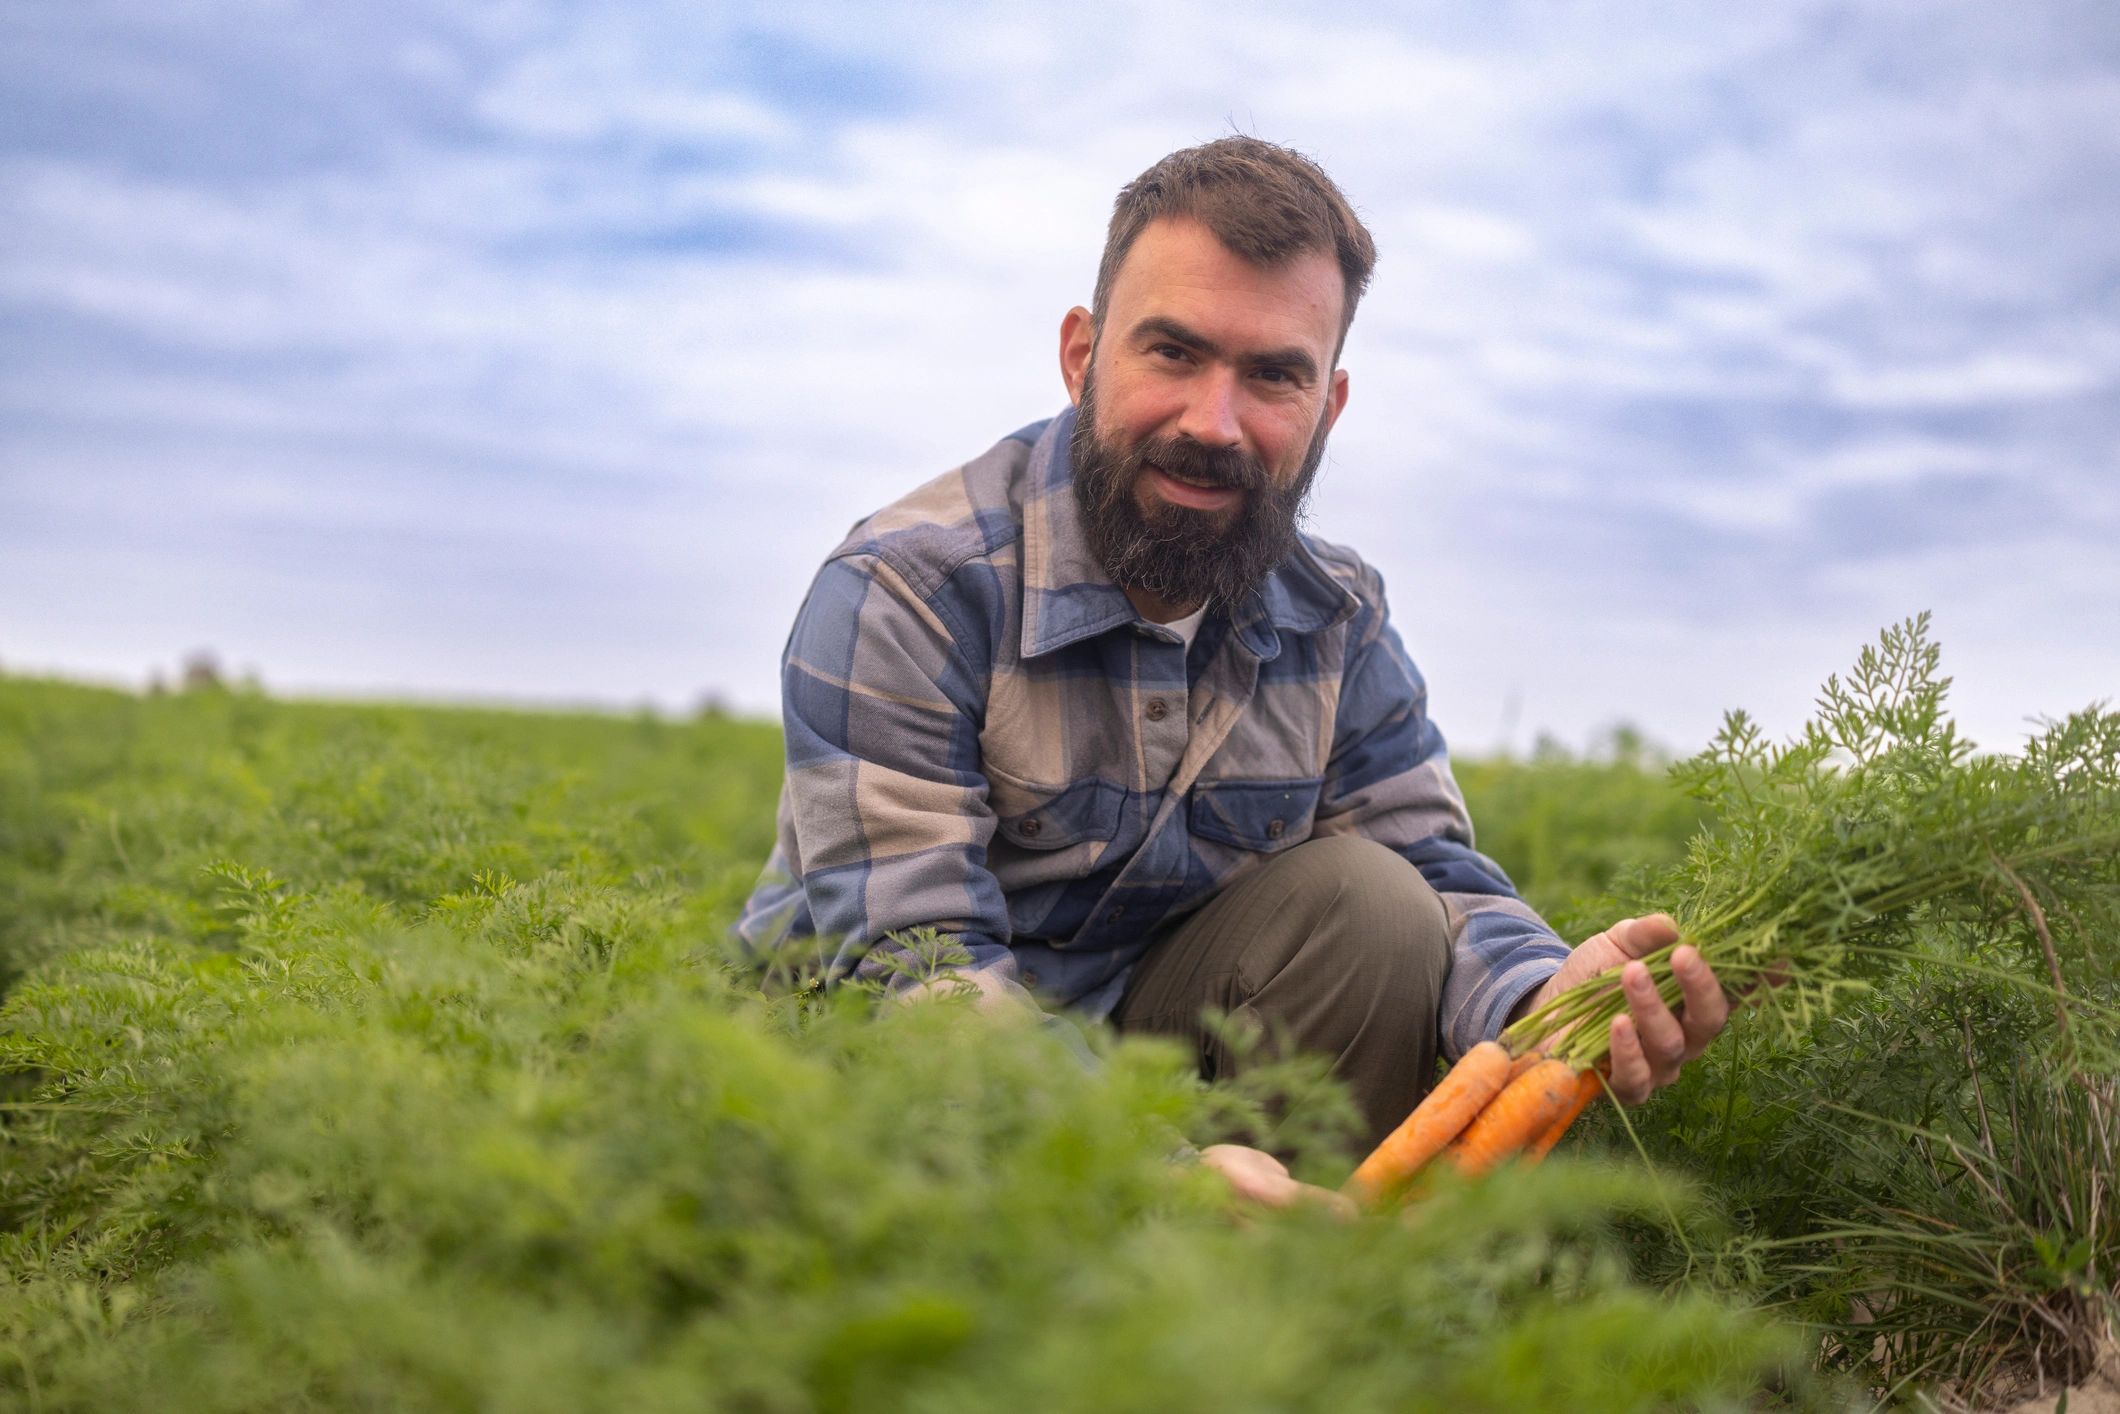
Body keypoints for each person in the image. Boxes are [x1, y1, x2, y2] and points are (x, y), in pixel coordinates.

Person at [737, 137, 1728, 1210]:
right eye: (1171, 352)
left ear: (1328, 405)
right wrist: (1139, 1171)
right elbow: (912, 976)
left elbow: (1430, 871)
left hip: (1144, 1058)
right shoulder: (911, 589)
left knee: (1375, 902)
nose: (1213, 424)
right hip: (884, 1101)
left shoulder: (1333, 614)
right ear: (1081, 355)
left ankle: (1291, 1300)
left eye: (1271, 375)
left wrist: (1548, 1004)